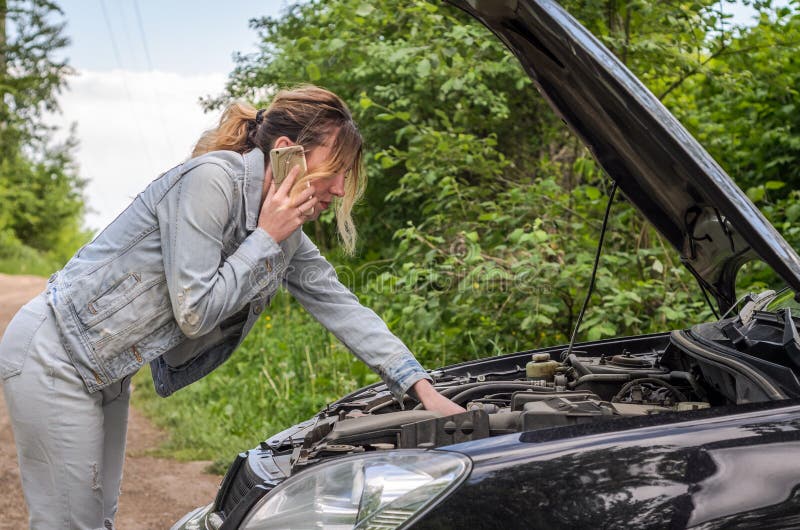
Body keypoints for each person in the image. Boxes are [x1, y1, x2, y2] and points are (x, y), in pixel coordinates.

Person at [0, 84, 465, 530]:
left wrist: (422, 387)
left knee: (97, 517)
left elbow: (342, 305)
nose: (341, 189)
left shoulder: (284, 238)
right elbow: (195, 312)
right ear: (286, 151)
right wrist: (265, 238)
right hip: (52, 352)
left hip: (105, 368)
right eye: (336, 168)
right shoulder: (212, 181)